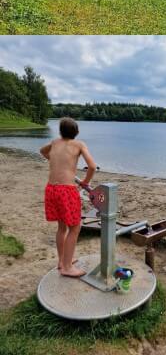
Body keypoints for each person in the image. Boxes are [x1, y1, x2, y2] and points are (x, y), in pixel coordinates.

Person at [40, 117, 97, 277]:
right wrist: (85, 182)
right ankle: (67, 267)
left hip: (51, 189)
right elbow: (92, 166)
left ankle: (62, 261)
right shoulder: (79, 144)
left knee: (62, 227)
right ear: (76, 132)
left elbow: (42, 151)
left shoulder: (55, 143)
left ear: (60, 131)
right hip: (66, 190)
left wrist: (55, 160)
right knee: (75, 227)